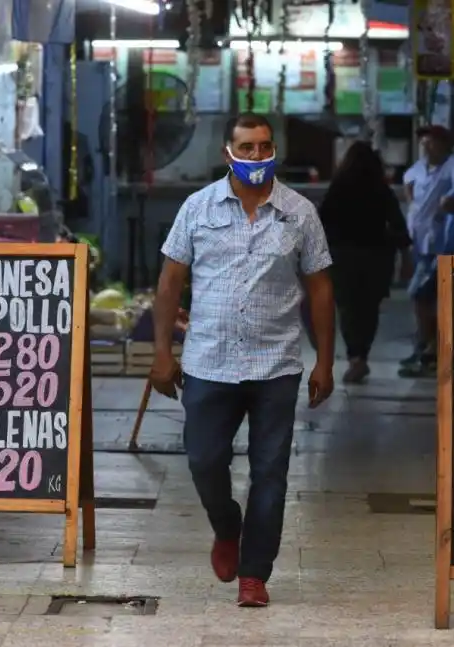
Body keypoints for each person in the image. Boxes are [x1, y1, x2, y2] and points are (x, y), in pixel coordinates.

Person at [150, 112, 335, 608]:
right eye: (247, 147)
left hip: (276, 365)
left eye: (264, 146)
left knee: (270, 473)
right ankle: (226, 524)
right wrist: (162, 352)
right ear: (227, 152)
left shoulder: (299, 213)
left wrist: (325, 361)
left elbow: (320, 290)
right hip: (209, 362)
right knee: (204, 461)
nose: (257, 156)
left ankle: (255, 574)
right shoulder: (198, 208)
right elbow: (170, 282)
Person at [318, 141, 410, 384]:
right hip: (377, 256)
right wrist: (403, 254)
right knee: (369, 309)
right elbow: (399, 226)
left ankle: (355, 358)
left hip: (343, 256)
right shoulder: (382, 190)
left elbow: (320, 223)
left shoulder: (338, 189)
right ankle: (362, 356)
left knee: (348, 308)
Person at [398, 125, 454, 379]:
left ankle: (431, 348)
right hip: (421, 242)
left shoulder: (453, 166)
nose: (427, 148)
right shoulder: (420, 167)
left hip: (441, 243)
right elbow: (408, 181)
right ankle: (426, 346)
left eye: (432, 143)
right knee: (424, 298)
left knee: (423, 295)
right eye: (424, 143)